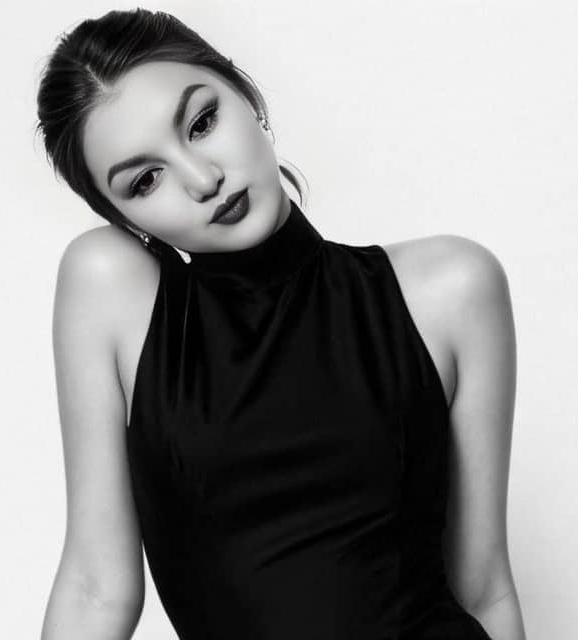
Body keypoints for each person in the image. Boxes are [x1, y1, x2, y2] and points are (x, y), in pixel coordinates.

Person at [35, 8, 526, 640]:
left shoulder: (450, 288)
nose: (203, 179)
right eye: (147, 179)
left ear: (248, 97)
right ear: (125, 220)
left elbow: (485, 589)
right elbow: (96, 590)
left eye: (202, 122)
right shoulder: (112, 292)